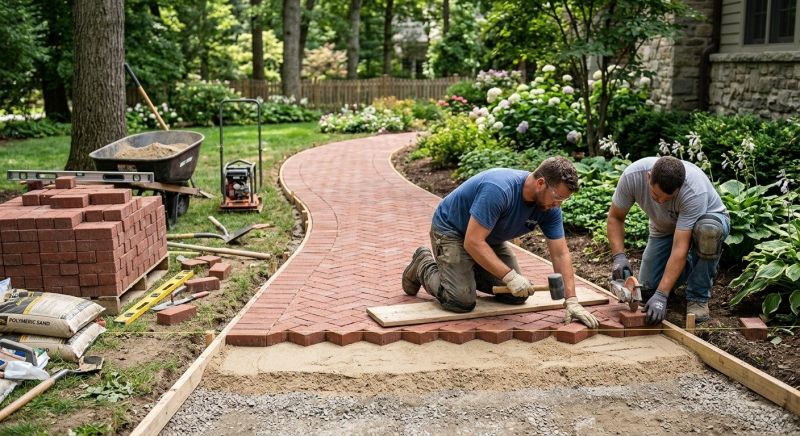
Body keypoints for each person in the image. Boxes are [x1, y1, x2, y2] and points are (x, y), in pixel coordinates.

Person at [401, 157, 598, 329]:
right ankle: (423, 263)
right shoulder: (499, 190)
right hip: (453, 231)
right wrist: (509, 276)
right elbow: (472, 242)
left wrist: (571, 300)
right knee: (460, 301)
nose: (558, 204)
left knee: (517, 296)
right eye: (557, 197)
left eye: (563, 200)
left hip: (488, 238)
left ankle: (464, 272)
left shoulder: (550, 207)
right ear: (540, 183)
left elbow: (560, 254)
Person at [607, 156, 730, 324]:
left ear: (680, 187)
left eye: (668, 198)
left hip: (709, 222)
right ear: (649, 177)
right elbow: (615, 217)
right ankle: (692, 265)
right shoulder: (632, 176)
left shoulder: (693, 191)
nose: (661, 202)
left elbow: (680, 247)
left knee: (707, 232)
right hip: (664, 229)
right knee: (649, 289)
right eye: (656, 196)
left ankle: (698, 296)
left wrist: (662, 295)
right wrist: (619, 256)